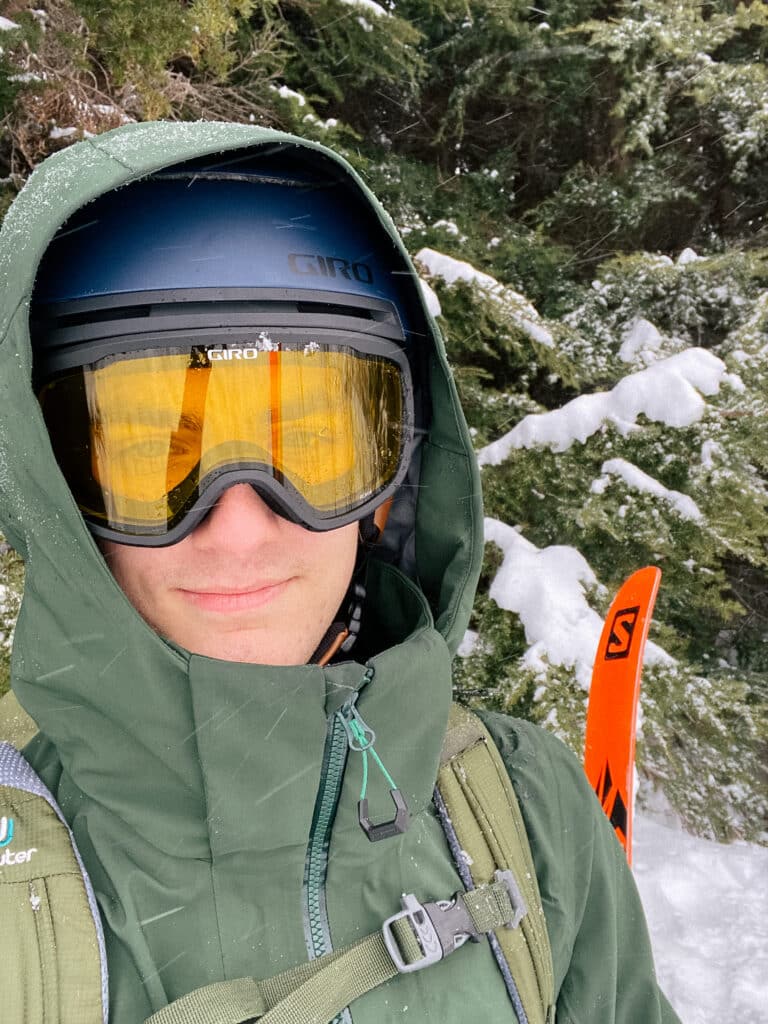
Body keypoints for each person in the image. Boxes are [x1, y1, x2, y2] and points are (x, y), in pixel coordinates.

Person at [0, 121, 680, 1023]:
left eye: (312, 445)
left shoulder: (527, 806)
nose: (238, 527)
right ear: (46, 479)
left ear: (390, 480)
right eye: (147, 450)